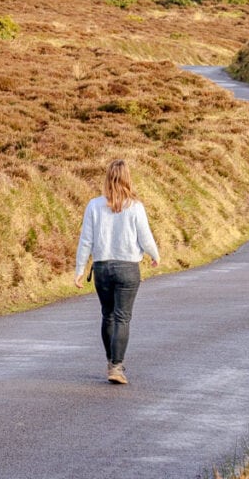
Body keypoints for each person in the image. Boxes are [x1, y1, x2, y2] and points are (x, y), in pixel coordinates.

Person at [75, 158, 160, 385]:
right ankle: (116, 366)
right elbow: (145, 236)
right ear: (127, 178)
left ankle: (111, 362)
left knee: (108, 315)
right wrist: (155, 254)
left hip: (102, 267)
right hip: (127, 267)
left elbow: (86, 240)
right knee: (122, 317)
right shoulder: (136, 207)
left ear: (107, 178)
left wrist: (79, 269)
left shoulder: (94, 206)